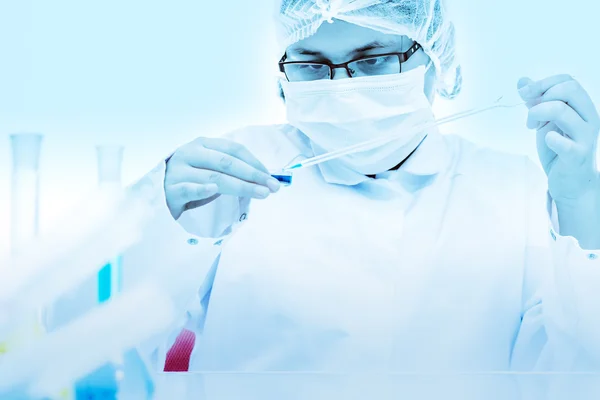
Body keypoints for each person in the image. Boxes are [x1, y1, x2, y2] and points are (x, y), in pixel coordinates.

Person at [126, 0, 600, 374]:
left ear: (435, 62)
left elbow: (569, 371)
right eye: (311, 66)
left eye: (373, 61)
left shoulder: (511, 189)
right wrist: (152, 212)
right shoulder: (234, 171)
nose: (341, 90)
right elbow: (113, 346)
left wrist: (580, 201)